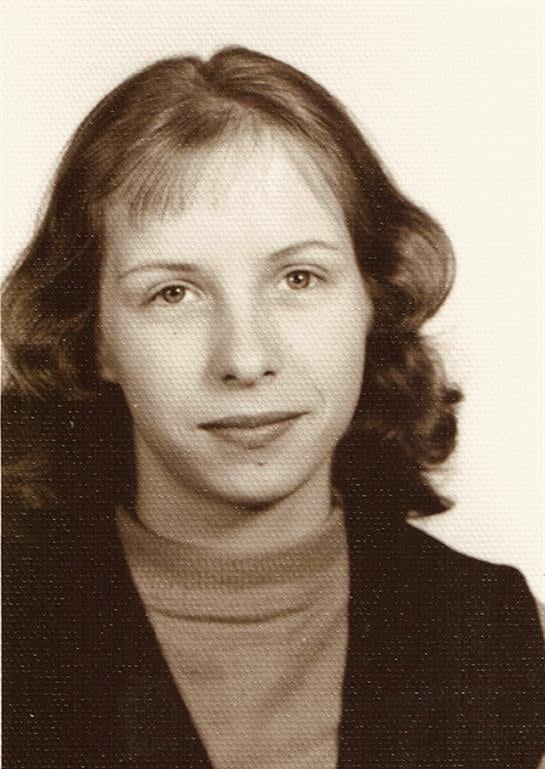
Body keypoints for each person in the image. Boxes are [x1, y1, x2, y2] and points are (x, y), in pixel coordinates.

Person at [2, 46, 544, 769]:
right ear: (92, 338)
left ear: (372, 299)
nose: (246, 357)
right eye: (172, 293)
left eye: (298, 278)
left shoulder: (497, 635)